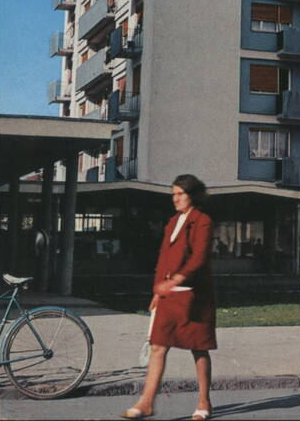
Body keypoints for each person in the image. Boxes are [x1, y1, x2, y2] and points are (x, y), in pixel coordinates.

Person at [121, 174, 216, 420]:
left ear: (192, 195)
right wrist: (157, 291)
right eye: (173, 194)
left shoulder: (202, 221)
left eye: (179, 194)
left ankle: (204, 401)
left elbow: (199, 258)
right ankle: (146, 402)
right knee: (157, 347)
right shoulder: (173, 221)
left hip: (194, 298)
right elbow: (163, 260)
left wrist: (175, 280)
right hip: (167, 297)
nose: (174, 199)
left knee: (199, 349)